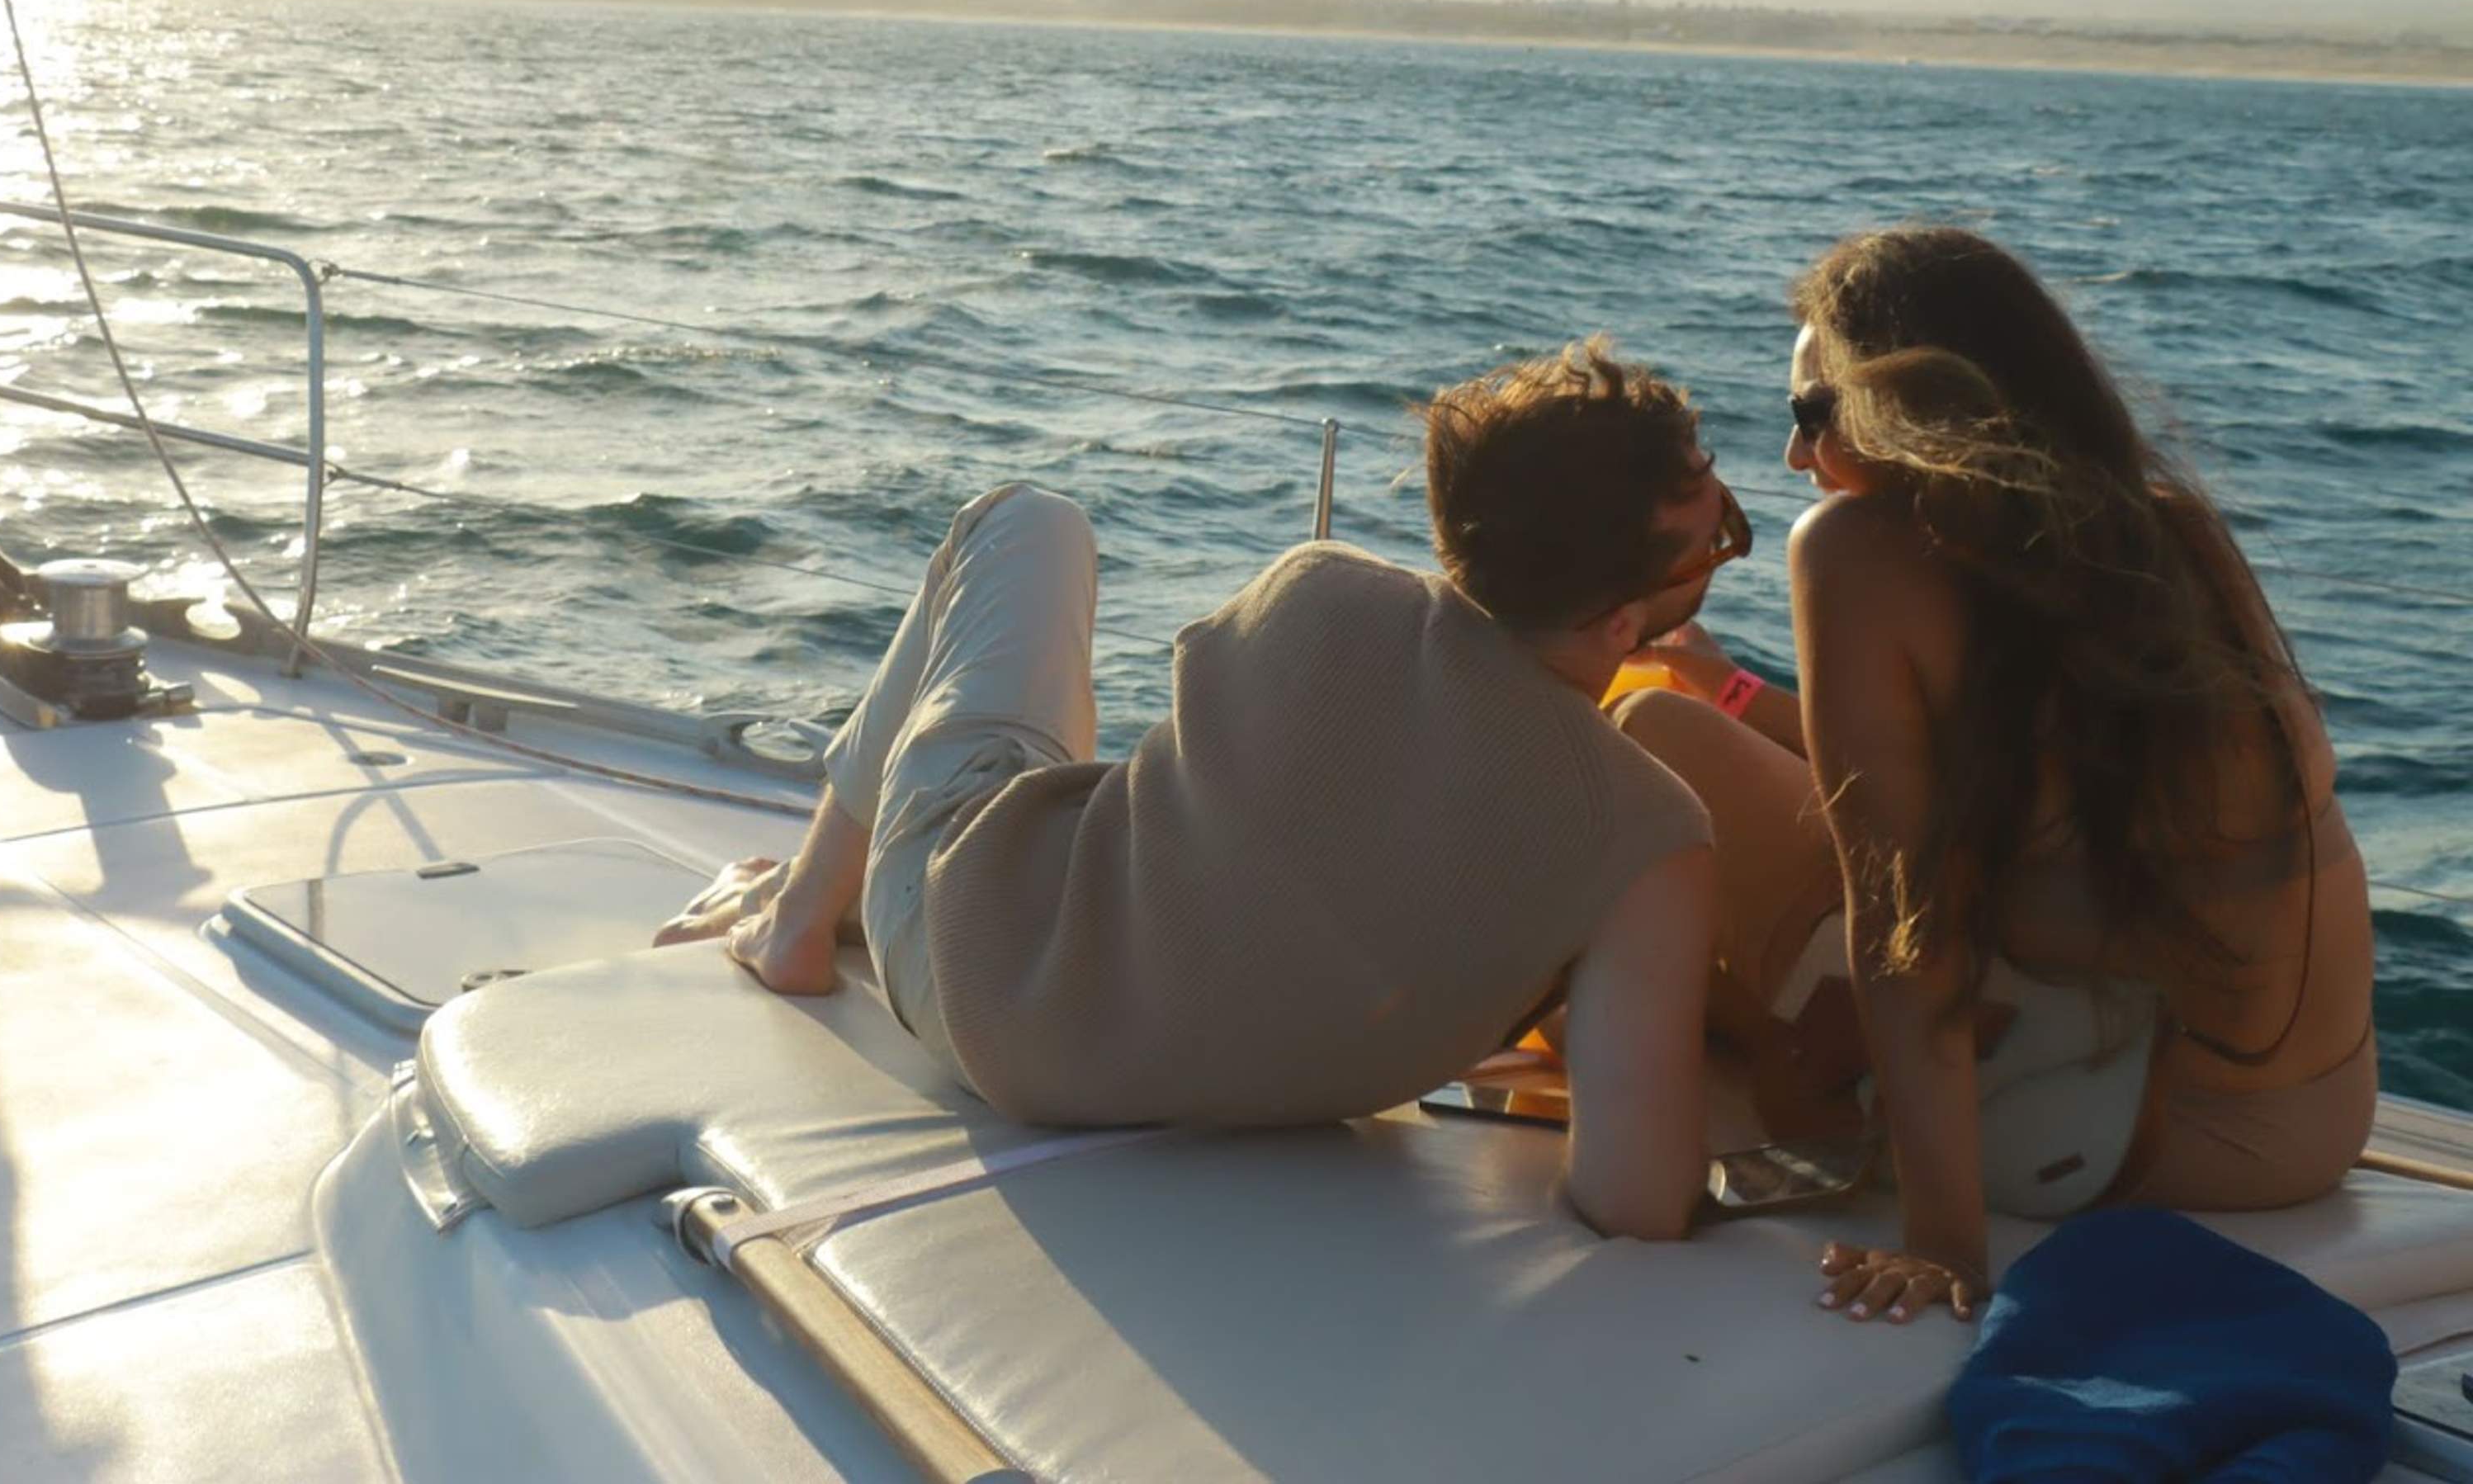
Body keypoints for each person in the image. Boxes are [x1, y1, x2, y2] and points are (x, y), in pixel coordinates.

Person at [656, 341, 1734, 1240]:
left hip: (969, 963)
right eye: (1719, 540)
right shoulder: (1651, 838)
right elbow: (1633, 1201)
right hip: (1045, 1009)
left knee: (1030, 523)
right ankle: (804, 917)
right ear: (1621, 624)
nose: (1731, 540)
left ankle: (805, 916)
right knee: (1030, 613)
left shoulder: (1317, 593)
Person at [1618, 227, 2374, 1328]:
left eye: (1810, 416)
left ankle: (1776, 1071)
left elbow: (1902, 920)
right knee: (1698, 733)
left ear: (1897, 406)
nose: (1796, 461)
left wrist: (1944, 1243)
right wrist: (1735, 692)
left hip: (2129, 1134)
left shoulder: (1854, 547)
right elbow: (1973, 789)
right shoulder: (2171, 534)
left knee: (1652, 738)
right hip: (2317, 1120)